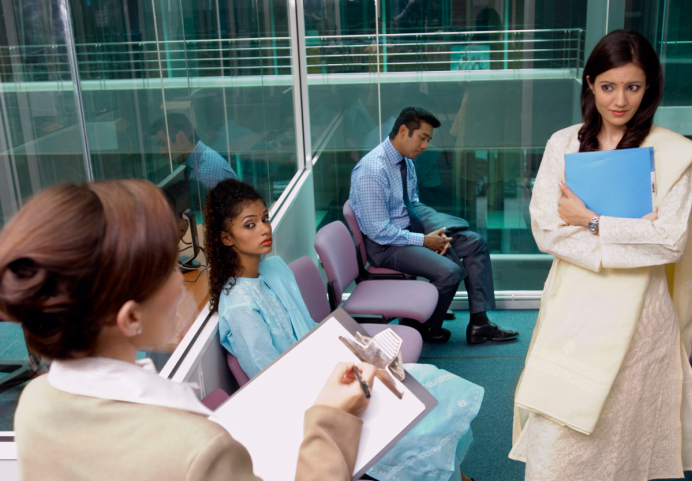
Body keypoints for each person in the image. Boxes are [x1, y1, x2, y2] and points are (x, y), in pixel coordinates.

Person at [2, 179, 376, 481]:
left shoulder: (34, 403)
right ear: (130, 318)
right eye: (169, 267)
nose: (182, 283)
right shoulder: (198, 449)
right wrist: (329, 419)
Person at [508, 30, 692, 480]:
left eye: (633, 86)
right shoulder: (563, 145)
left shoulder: (671, 154)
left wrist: (591, 219)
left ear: (650, 87)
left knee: (620, 437)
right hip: (574, 306)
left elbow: (669, 243)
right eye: (608, 86)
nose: (620, 100)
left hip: (640, 318)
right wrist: (631, 237)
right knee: (557, 434)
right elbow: (547, 231)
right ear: (590, 83)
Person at [204, 179, 484, 481]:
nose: (264, 229)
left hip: (328, 368)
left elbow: (312, 331)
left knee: (426, 389)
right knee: (412, 414)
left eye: (265, 218)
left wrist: (364, 354)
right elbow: (273, 380)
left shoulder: (275, 268)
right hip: (308, 398)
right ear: (226, 238)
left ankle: (456, 476)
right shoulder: (240, 306)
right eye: (250, 225)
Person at [349, 107, 519, 344]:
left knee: (474, 243)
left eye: (428, 140)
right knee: (449, 272)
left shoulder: (404, 160)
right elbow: (379, 231)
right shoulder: (372, 171)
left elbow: (413, 203)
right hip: (385, 246)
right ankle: (421, 325)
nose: (426, 146)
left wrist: (439, 232)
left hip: (408, 230)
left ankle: (480, 322)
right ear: (403, 131)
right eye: (422, 138)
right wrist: (425, 240)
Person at [150, 113, 236, 191]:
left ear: (181, 137)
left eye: (163, 144)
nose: (162, 152)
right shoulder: (201, 162)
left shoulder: (206, 173)